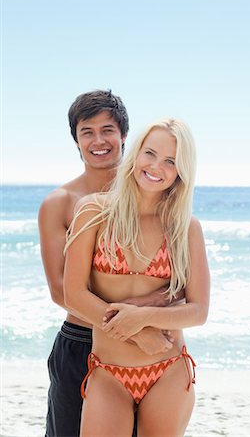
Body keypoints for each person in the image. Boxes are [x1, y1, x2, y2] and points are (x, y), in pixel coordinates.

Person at [38, 90, 175, 437]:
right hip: (82, 344)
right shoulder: (60, 203)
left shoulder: (158, 199)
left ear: (124, 135)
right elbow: (61, 291)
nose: (99, 141)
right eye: (87, 131)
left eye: (108, 130)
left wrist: (144, 321)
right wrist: (138, 324)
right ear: (76, 140)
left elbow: (179, 283)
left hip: (148, 352)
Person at [63, 118, 210, 436]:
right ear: (136, 154)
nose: (156, 166)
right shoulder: (93, 212)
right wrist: (136, 332)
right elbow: (72, 294)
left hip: (168, 371)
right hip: (108, 372)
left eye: (170, 161)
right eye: (150, 153)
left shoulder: (185, 228)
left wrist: (142, 316)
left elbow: (199, 311)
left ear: (181, 171)